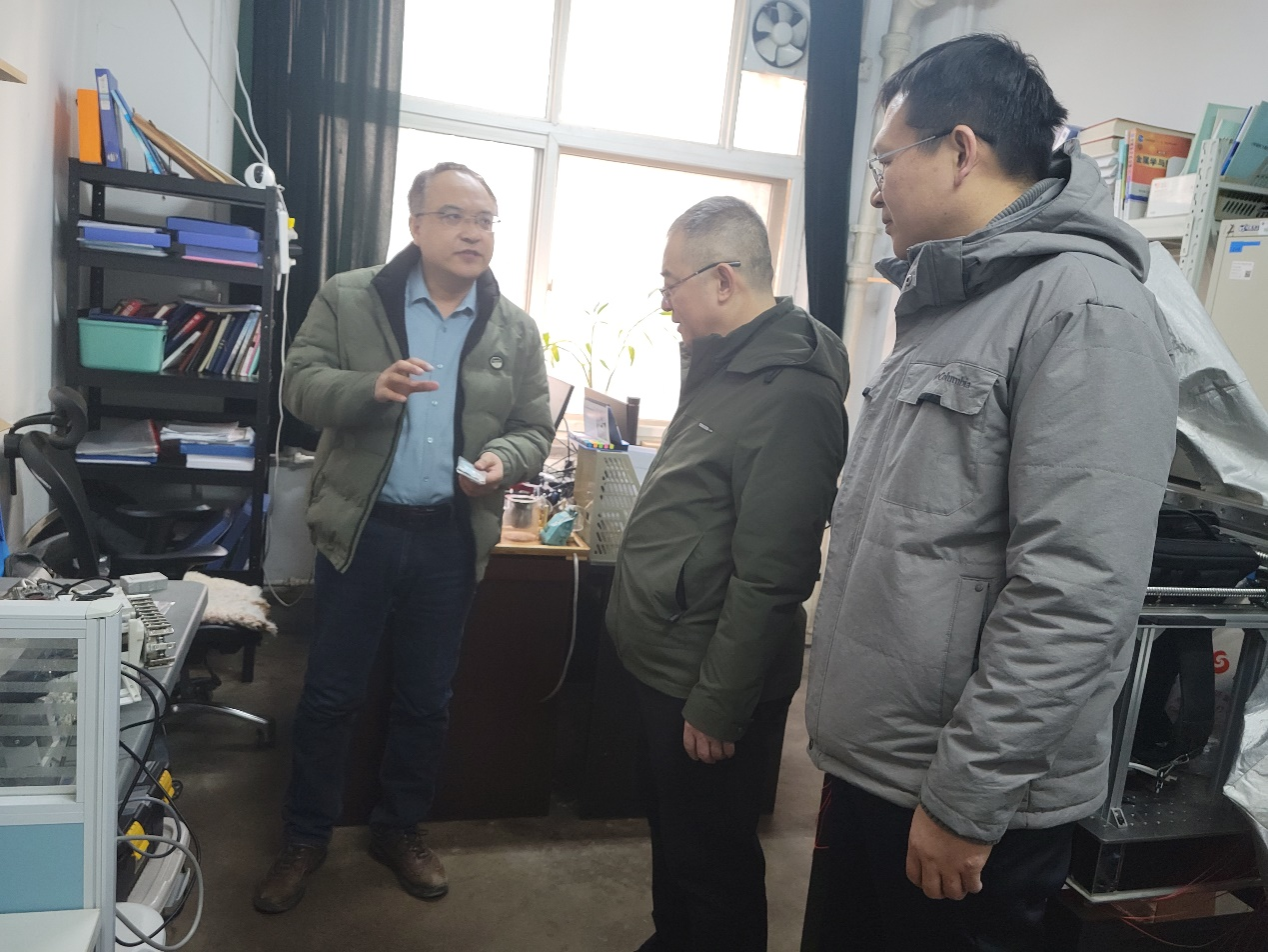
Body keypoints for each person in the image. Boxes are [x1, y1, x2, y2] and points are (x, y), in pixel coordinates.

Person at [802, 34, 1179, 950]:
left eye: (887, 161)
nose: (877, 190)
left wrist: (965, 800)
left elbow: (1076, 590)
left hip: (959, 800)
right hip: (882, 769)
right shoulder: (951, 304)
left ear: (961, 150)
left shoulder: (1085, 308)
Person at [253, 162, 552, 913]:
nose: (473, 232)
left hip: (449, 538)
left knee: (426, 698)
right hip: (363, 532)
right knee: (331, 695)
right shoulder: (351, 297)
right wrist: (368, 388)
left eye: (485, 219)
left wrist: (503, 459)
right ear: (415, 225)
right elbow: (296, 382)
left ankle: (400, 829)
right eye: (454, 215)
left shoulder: (513, 328)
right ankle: (305, 836)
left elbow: (533, 429)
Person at [607, 196, 849, 952]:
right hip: (669, 657)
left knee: (714, 863)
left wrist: (718, 703)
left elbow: (773, 574)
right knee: (678, 842)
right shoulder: (727, 363)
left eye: (670, 284)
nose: (665, 304)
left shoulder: (793, 393)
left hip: (706, 676)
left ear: (722, 279)